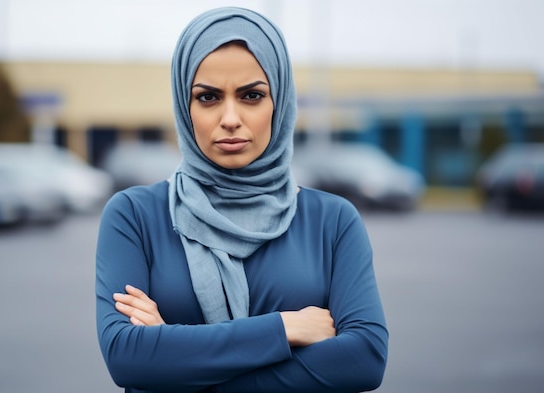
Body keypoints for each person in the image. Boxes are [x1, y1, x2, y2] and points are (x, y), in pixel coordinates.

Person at [95, 6, 388, 393]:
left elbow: (364, 360)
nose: (230, 117)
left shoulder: (332, 221)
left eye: (251, 95)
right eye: (208, 97)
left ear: (278, 102)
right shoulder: (135, 215)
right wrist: (286, 328)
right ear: (186, 108)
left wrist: (175, 358)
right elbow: (127, 357)